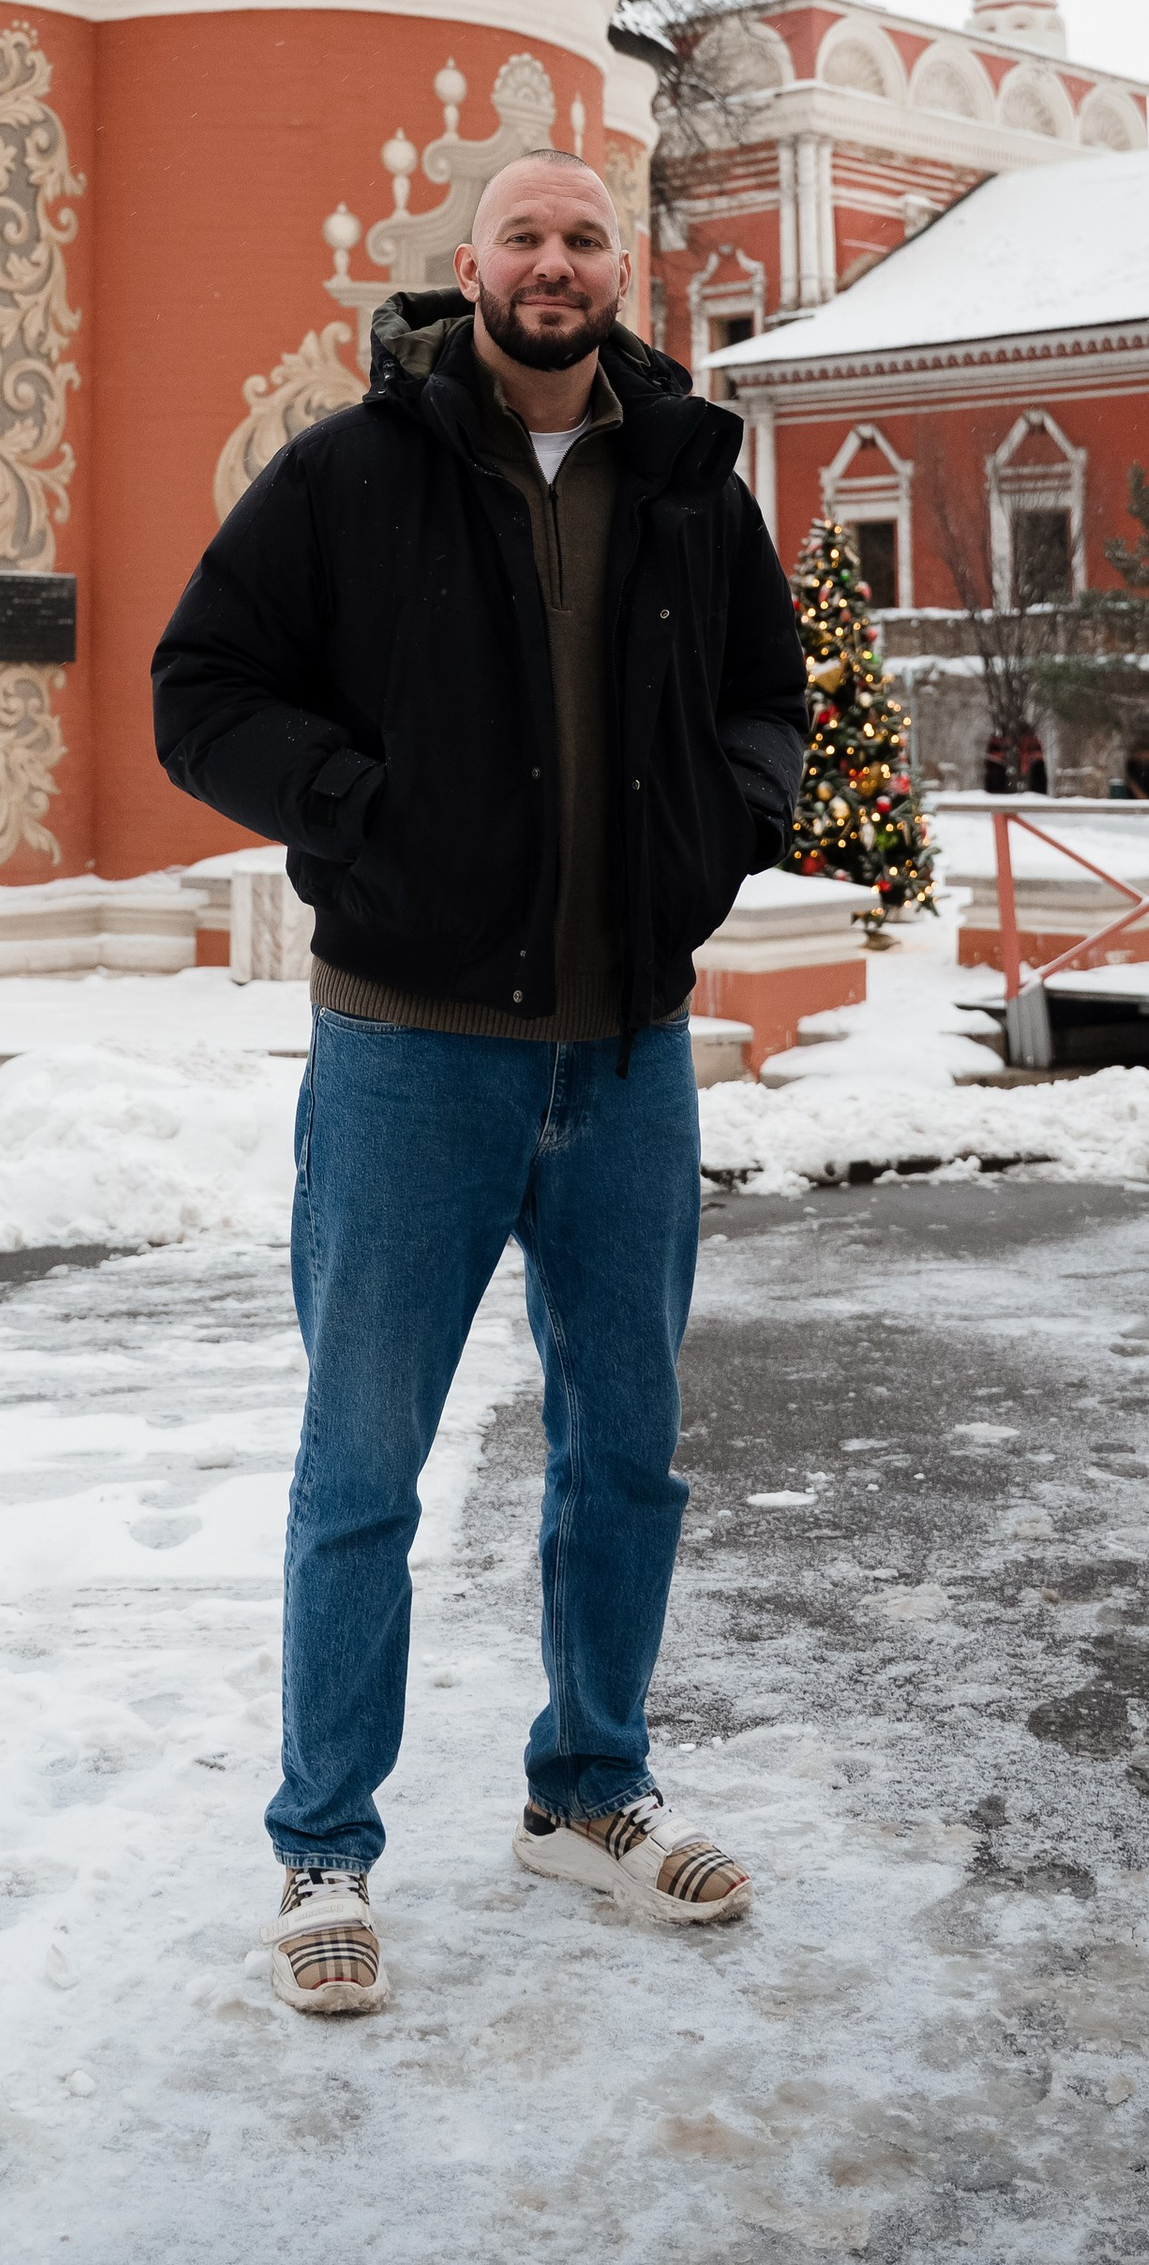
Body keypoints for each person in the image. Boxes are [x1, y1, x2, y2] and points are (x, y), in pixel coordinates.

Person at [151, 153, 808, 2015]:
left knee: (628, 1453)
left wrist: (725, 823)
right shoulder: (354, 472)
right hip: (408, 1058)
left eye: (586, 236)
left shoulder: (688, 481)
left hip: (628, 1052)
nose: (555, 262)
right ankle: (323, 1855)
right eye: (525, 235)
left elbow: (772, 699)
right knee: (362, 1465)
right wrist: (362, 815)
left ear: (623, 269)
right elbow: (201, 686)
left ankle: (589, 1793)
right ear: (471, 269)